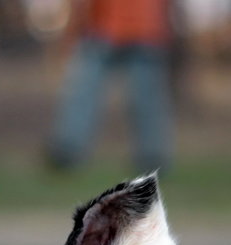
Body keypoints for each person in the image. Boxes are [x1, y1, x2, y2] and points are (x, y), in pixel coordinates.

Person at [45, 0, 174, 172]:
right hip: (133, 30)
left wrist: (73, 30)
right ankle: (152, 156)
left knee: (85, 94)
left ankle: (68, 150)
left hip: (111, 28)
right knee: (145, 99)